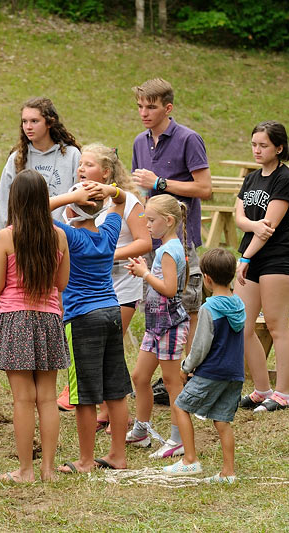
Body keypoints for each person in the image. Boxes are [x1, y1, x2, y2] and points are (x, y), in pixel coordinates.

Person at [59, 144, 152, 428]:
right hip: (87, 288)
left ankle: (110, 411)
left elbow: (145, 242)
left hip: (120, 286)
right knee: (99, 354)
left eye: (89, 164)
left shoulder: (128, 201)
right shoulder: (79, 200)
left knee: (109, 353)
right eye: (80, 164)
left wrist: (106, 254)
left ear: (106, 172)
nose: (81, 169)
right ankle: (105, 410)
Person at [0, 169, 70, 482]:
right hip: (49, 319)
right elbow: (61, 283)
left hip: (16, 320)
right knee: (47, 398)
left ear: (15, 200)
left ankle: (25, 470)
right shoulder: (59, 236)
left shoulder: (6, 237)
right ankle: (48, 469)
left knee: (23, 399)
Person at [49, 181, 132, 474]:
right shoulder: (109, 233)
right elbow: (122, 201)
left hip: (82, 318)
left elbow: (35, 212)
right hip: (112, 312)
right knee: (115, 390)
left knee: (84, 394)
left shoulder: (69, 235)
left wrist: (71, 196)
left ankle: (85, 460)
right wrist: (110, 191)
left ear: (73, 209)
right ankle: (118, 455)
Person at [130, 78, 212, 348]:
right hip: (151, 239)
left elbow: (204, 188)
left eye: (151, 107)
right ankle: (167, 368)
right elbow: (141, 190)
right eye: (140, 106)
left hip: (180, 240)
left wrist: (160, 182)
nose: (144, 113)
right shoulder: (139, 142)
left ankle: (191, 368)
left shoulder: (189, 139)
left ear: (168, 108)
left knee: (186, 308)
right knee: (154, 306)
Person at [163, 248, 245, 483]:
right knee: (222, 421)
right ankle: (228, 473)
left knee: (180, 406)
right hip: (234, 374)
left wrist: (185, 367)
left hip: (211, 372)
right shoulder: (239, 304)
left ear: (207, 279)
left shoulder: (209, 309)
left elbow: (200, 347)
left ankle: (190, 460)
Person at [235, 121, 289, 412]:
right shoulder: (251, 178)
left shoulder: (285, 179)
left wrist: (245, 258)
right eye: (254, 144)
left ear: (279, 148)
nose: (257, 150)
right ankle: (262, 389)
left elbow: (269, 228)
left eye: (263, 145)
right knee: (242, 325)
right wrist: (252, 227)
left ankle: (284, 394)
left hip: (277, 258)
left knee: (276, 325)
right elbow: (240, 218)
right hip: (251, 256)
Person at [125, 194, 190, 459]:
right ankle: (141, 430)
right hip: (156, 326)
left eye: (151, 220)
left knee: (172, 383)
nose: (147, 225)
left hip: (170, 326)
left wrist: (145, 274)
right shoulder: (166, 248)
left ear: (169, 220)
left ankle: (178, 439)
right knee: (140, 377)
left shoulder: (169, 251)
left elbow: (170, 288)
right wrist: (145, 270)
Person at [0, 96, 81, 234]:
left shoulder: (71, 155)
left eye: (34, 121)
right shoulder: (17, 158)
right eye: (24, 121)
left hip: (62, 236)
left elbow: (80, 199)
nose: (28, 127)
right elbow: (4, 206)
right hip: (26, 237)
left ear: (49, 122)